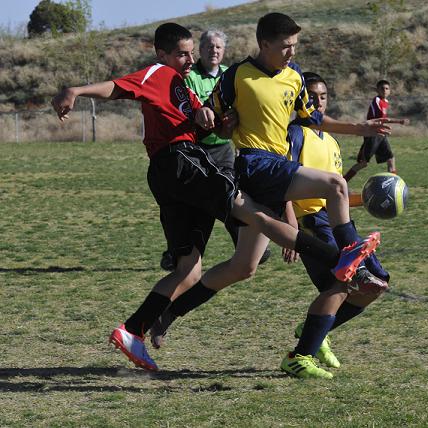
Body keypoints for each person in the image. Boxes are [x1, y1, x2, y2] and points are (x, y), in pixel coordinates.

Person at [51, 22, 380, 372]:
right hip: (182, 163)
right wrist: (76, 89)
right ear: (161, 54)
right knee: (256, 214)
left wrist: (219, 122)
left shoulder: (185, 89)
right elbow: (117, 88)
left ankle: (134, 330)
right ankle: (339, 259)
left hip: (170, 176)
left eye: (191, 52)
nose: (189, 59)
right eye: (182, 53)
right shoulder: (160, 73)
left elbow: (215, 125)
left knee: (189, 270)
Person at [144, 13, 392, 370]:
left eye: (295, 46)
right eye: (285, 46)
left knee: (243, 267)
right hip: (254, 164)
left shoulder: (294, 78)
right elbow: (209, 114)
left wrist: (359, 128)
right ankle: (350, 251)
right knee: (335, 184)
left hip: (274, 170)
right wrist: (216, 121)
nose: (291, 52)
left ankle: (168, 314)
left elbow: (313, 120)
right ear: (264, 45)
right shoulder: (238, 76)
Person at [280, 71, 391, 379]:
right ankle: (300, 355)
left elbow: (337, 192)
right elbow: (281, 183)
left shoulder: (330, 140)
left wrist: (369, 201)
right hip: (312, 221)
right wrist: (290, 225)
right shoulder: (295, 133)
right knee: (340, 284)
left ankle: (316, 328)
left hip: (339, 224)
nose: (318, 102)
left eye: (323, 96)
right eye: (311, 97)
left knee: (375, 283)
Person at [158, 28, 270, 272]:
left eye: (218, 47)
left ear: (224, 51)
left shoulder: (230, 75)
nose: (214, 51)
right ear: (201, 49)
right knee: (189, 203)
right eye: (209, 46)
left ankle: (245, 245)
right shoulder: (189, 75)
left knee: (232, 195)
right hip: (194, 150)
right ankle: (175, 250)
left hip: (223, 149)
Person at [343, 79, 410, 182]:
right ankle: (343, 181)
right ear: (377, 90)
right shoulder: (377, 101)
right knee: (363, 163)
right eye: (382, 88)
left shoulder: (385, 102)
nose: (385, 90)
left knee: (390, 159)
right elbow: (381, 119)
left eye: (387, 88)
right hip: (372, 134)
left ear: (390, 91)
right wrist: (399, 121)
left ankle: (392, 184)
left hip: (381, 134)